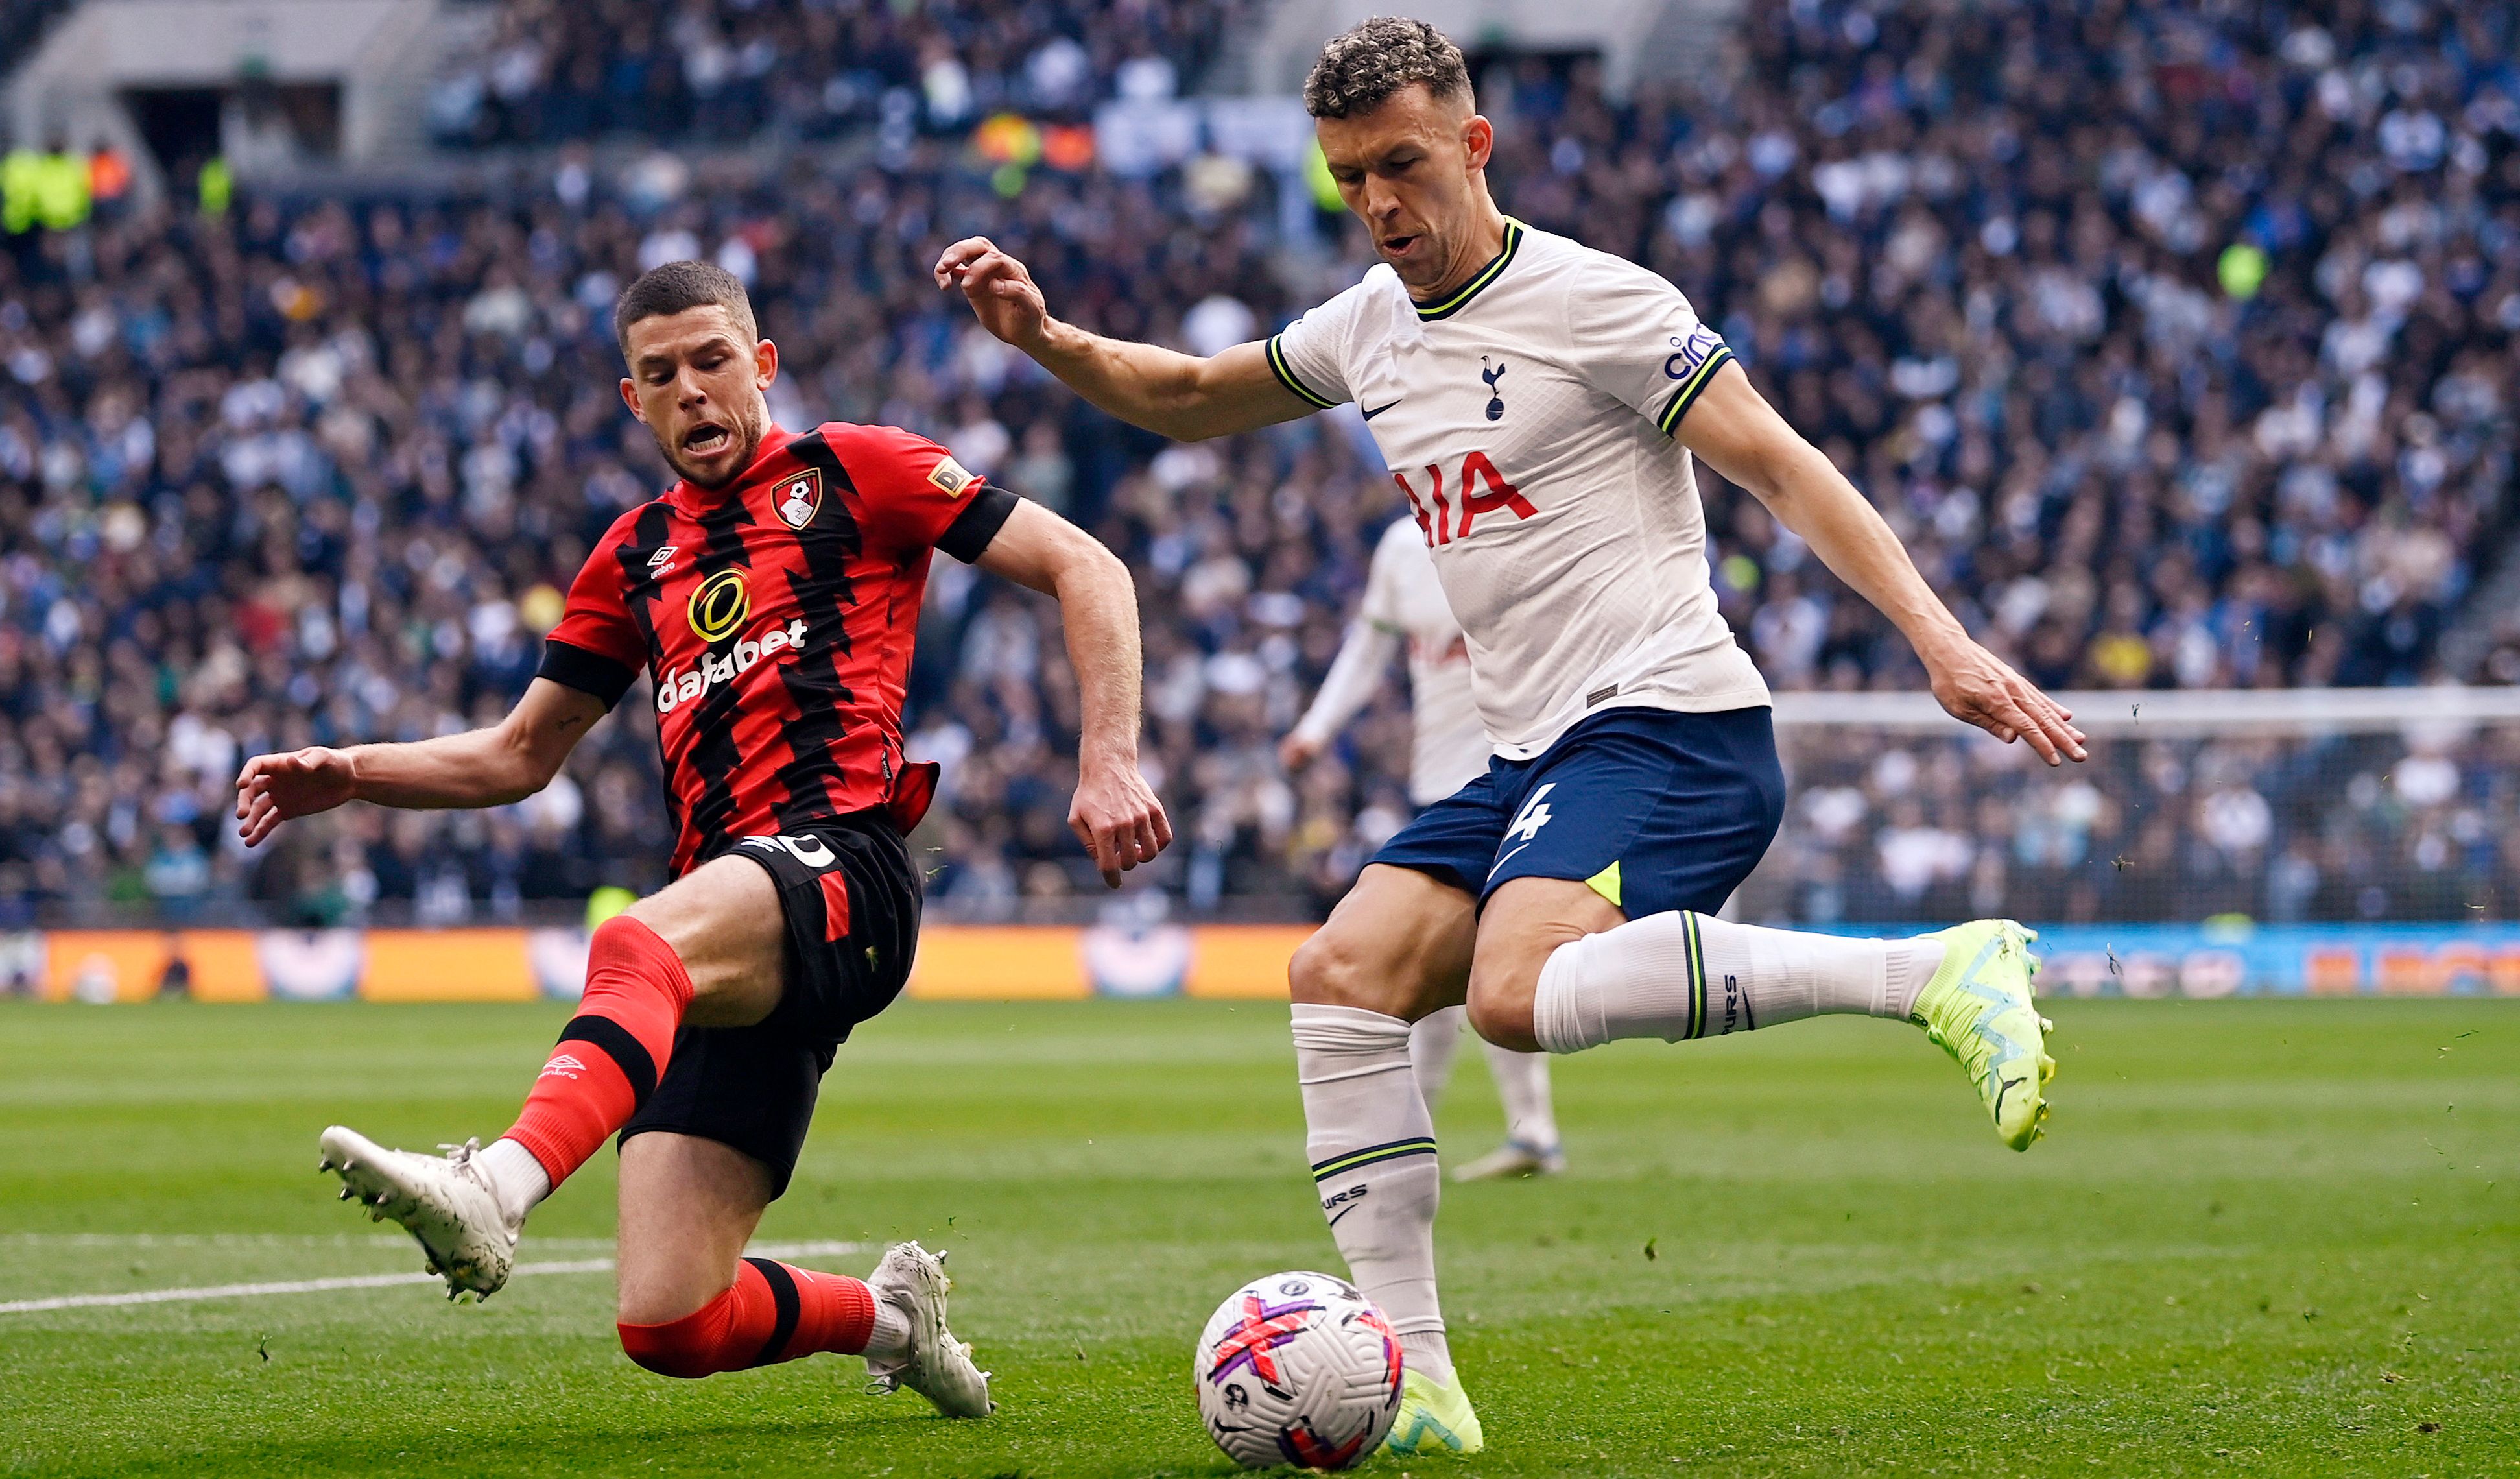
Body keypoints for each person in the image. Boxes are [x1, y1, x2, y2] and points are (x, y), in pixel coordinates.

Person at [936, 18, 2083, 1455]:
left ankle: (1930, 969)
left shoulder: (1595, 302)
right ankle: (1412, 1382)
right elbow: (1177, 399)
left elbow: (1780, 466)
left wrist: (1938, 642)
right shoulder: (1365, 323)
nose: (1377, 205)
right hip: (1529, 756)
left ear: (1473, 146)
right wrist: (1045, 338)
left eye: (1401, 166)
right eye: (1349, 177)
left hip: (1670, 722)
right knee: (1338, 975)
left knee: (1509, 990)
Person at [234, 260, 1170, 1417]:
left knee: (634, 945)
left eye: (713, 360)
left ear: (761, 364)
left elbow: (1088, 565)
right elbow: (521, 754)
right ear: (634, 401)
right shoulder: (630, 556)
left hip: (848, 869)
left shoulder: (853, 471)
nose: (691, 391)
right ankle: (890, 1319)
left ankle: (498, 1189)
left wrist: (1110, 756)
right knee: (671, 1321)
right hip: (730, 925)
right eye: (660, 374)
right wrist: (354, 772)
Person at [1280, 514, 1565, 1181]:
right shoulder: (1403, 547)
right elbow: (1368, 647)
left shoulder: (1527, 527)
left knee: (1479, 965)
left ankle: (1455, 1137)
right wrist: (1315, 728)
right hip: (1438, 788)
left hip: (1518, 775)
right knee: (1440, 969)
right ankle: (1502, 1135)